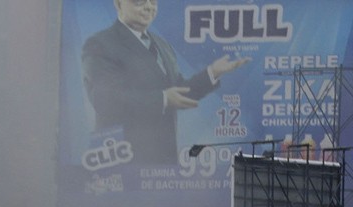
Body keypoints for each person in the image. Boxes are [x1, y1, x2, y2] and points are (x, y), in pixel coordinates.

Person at [81, 0, 250, 163]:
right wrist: (162, 99)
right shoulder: (100, 44)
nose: (148, 6)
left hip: (163, 164)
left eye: (153, 1)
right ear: (118, 4)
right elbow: (106, 100)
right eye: (139, 1)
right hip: (124, 161)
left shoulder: (162, 45)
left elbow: (179, 92)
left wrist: (213, 72)